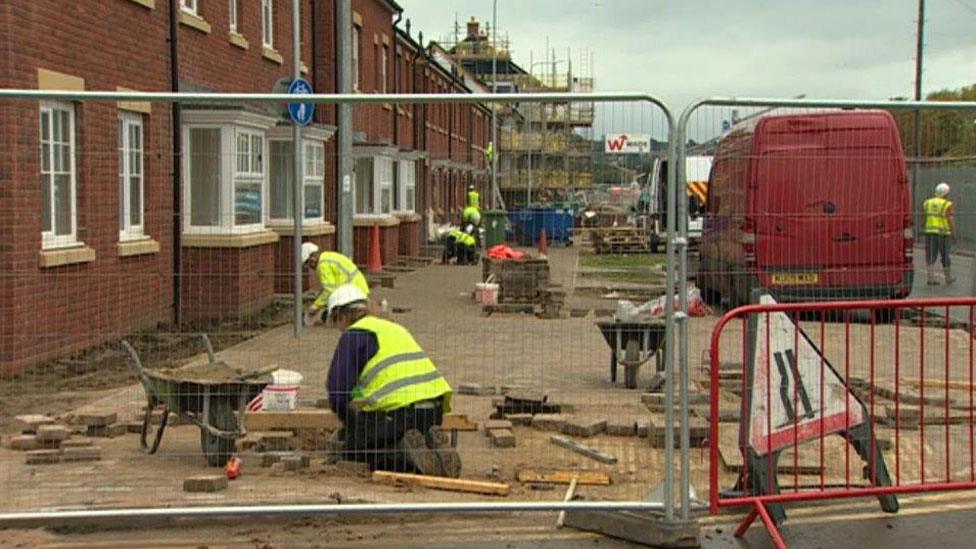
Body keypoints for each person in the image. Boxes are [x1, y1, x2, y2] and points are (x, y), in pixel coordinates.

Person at [325, 284, 461, 477]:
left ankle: (405, 458)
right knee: (388, 434)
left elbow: (337, 392)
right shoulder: (394, 328)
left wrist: (351, 425)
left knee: (353, 450)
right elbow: (383, 377)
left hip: (400, 415)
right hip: (433, 411)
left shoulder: (353, 336)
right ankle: (432, 447)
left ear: (341, 316)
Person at [301, 243, 370, 325]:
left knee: (332, 308)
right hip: (359, 289)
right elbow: (330, 287)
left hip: (353, 293)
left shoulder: (323, 265)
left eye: (308, 263)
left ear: (312, 258)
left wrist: (315, 306)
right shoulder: (327, 256)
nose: (310, 267)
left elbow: (329, 290)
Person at [922, 182, 956, 285]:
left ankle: (930, 279)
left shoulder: (927, 202)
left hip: (930, 232)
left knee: (930, 256)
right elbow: (950, 220)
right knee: (945, 255)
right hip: (944, 233)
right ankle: (948, 278)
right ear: (945, 193)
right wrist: (953, 233)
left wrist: (923, 228)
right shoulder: (947, 204)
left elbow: (924, 217)